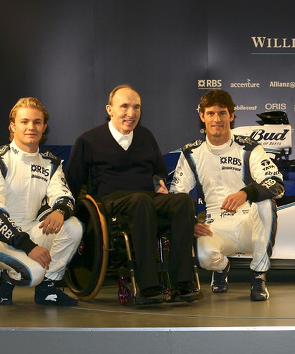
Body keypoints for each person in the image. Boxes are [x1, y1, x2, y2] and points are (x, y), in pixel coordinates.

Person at [65, 85, 201, 304]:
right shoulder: (88, 140)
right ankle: (148, 285)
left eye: (136, 107)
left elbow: (158, 170)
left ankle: (182, 283)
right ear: (110, 109)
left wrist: (158, 182)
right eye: (124, 106)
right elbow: (71, 183)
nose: (131, 113)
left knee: (183, 202)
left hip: (145, 199)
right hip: (110, 203)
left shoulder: (145, 136)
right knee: (141, 202)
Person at [170, 89, 285, 301]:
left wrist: (246, 193)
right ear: (202, 116)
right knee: (205, 258)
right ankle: (221, 268)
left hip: (248, 224)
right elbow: (176, 195)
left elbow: (276, 184)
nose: (217, 119)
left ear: (231, 116)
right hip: (215, 225)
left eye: (222, 113)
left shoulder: (250, 148)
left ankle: (259, 276)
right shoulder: (190, 153)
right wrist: (190, 222)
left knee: (266, 202)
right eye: (211, 113)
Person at [0, 97, 82, 306]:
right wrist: (28, 246)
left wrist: (60, 211)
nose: (31, 127)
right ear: (13, 126)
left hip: (32, 230)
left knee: (73, 227)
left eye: (37, 122)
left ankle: (47, 290)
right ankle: (6, 277)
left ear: (44, 127)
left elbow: (65, 196)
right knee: (33, 274)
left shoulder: (50, 162)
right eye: (24, 122)